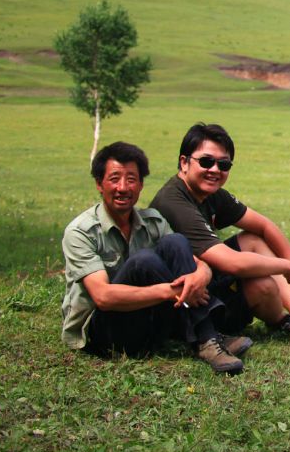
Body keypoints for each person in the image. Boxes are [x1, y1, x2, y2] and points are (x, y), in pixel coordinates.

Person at [61, 141, 253, 374]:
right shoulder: (81, 231)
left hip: (148, 324)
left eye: (131, 179)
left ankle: (207, 336)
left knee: (175, 242)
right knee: (145, 261)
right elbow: (103, 297)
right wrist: (173, 292)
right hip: (105, 334)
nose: (123, 187)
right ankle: (207, 335)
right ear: (99, 184)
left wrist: (200, 276)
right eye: (114, 179)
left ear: (141, 185)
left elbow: (194, 261)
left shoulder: (153, 221)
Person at [149, 123, 290, 339]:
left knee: (254, 245)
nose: (215, 170)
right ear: (184, 162)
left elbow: (264, 226)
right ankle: (287, 320)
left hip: (204, 281)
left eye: (224, 164)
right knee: (262, 282)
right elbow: (231, 262)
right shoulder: (174, 201)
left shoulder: (212, 194)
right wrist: (287, 267)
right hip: (181, 304)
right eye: (206, 161)